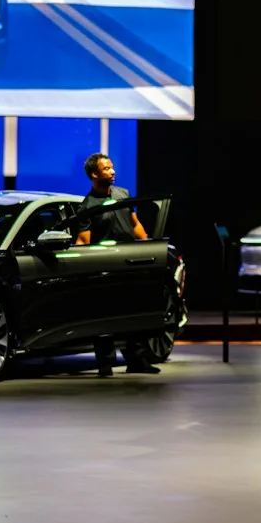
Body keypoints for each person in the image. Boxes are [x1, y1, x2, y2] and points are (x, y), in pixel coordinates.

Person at [76, 152, 159, 376]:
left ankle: (137, 360)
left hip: (130, 260)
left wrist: (148, 246)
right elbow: (84, 239)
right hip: (105, 264)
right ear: (94, 174)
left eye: (112, 167)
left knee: (135, 311)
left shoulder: (123, 193)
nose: (112, 171)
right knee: (104, 314)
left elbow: (135, 223)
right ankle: (105, 364)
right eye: (107, 169)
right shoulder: (88, 206)